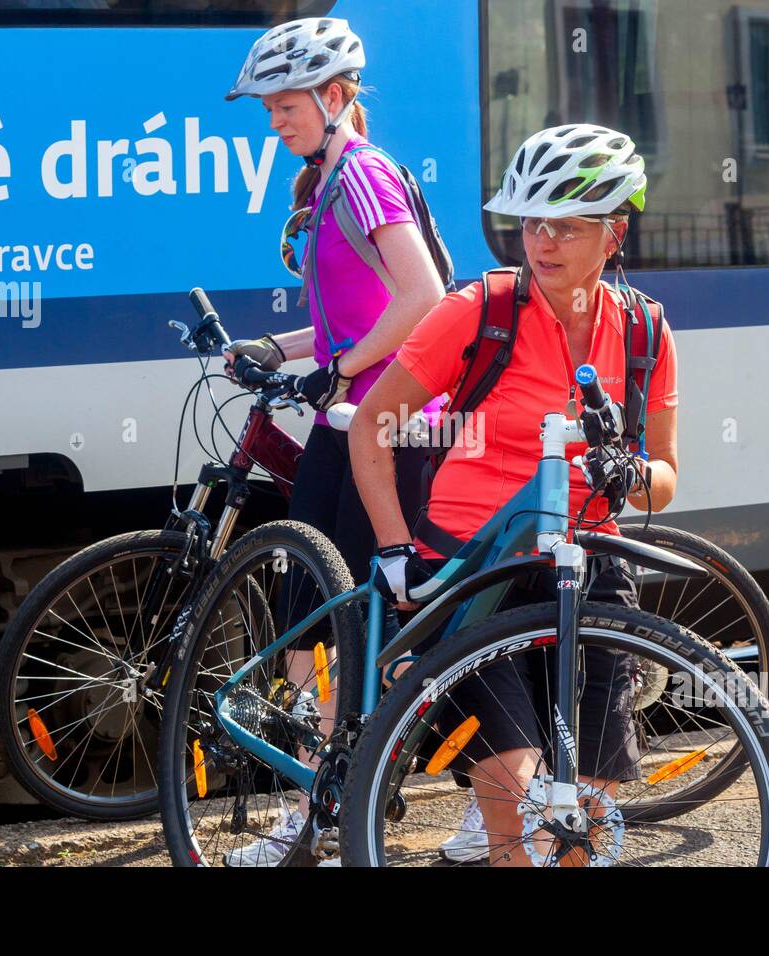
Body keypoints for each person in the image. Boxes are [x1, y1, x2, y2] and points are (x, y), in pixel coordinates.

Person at [349, 124, 680, 866]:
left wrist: (626, 474)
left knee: (586, 809)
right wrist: (396, 548)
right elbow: (373, 425)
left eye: (565, 225)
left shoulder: (644, 332)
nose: (543, 242)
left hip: (587, 564)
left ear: (614, 233)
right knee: (514, 784)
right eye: (532, 223)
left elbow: (665, 472)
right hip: (475, 559)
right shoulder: (481, 310)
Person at [220, 16, 446, 866]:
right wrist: (276, 350)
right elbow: (354, 317)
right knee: (308, 614)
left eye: (285, 106)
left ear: (336, 95)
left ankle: (337, 807)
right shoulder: (325, 181)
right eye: (269, 108)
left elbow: (423, 296)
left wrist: (344, 363)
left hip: (390, 420)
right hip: (341, 413)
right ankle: (316, 799)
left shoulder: (363, 177)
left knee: (362, 621)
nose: (274, 121)